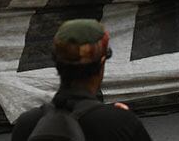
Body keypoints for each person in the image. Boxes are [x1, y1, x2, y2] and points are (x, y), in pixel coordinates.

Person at [10, 19, 151, 141]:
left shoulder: (26, 124)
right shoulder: (120, 123)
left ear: (57, 63)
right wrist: (122, 118)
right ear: (102, 62)